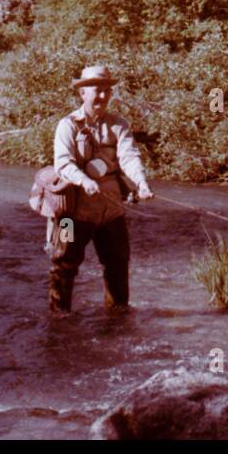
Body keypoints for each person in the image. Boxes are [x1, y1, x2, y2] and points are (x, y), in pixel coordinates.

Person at [47, 65, 153, 314]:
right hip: (69, 214)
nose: (103, 96)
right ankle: (59, 322)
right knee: (62, 266)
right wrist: (84, 180)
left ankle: (117, 323)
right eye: (98, 91)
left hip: (111, 212)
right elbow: (62, 164)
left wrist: (142, 183)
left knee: (117, 265)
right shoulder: (67, 125)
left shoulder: (119, 125)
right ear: (82, 92)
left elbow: (129, 158)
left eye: (107, 91)